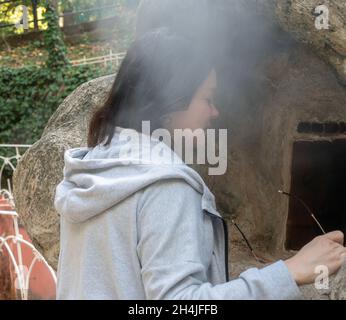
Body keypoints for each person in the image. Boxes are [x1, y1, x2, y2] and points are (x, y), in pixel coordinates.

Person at [54, 29, 346, 299]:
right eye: (206, 99)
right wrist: (291, 271)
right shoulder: (164, 186)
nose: (214, 111)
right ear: (170, 101)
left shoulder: (89, 171)